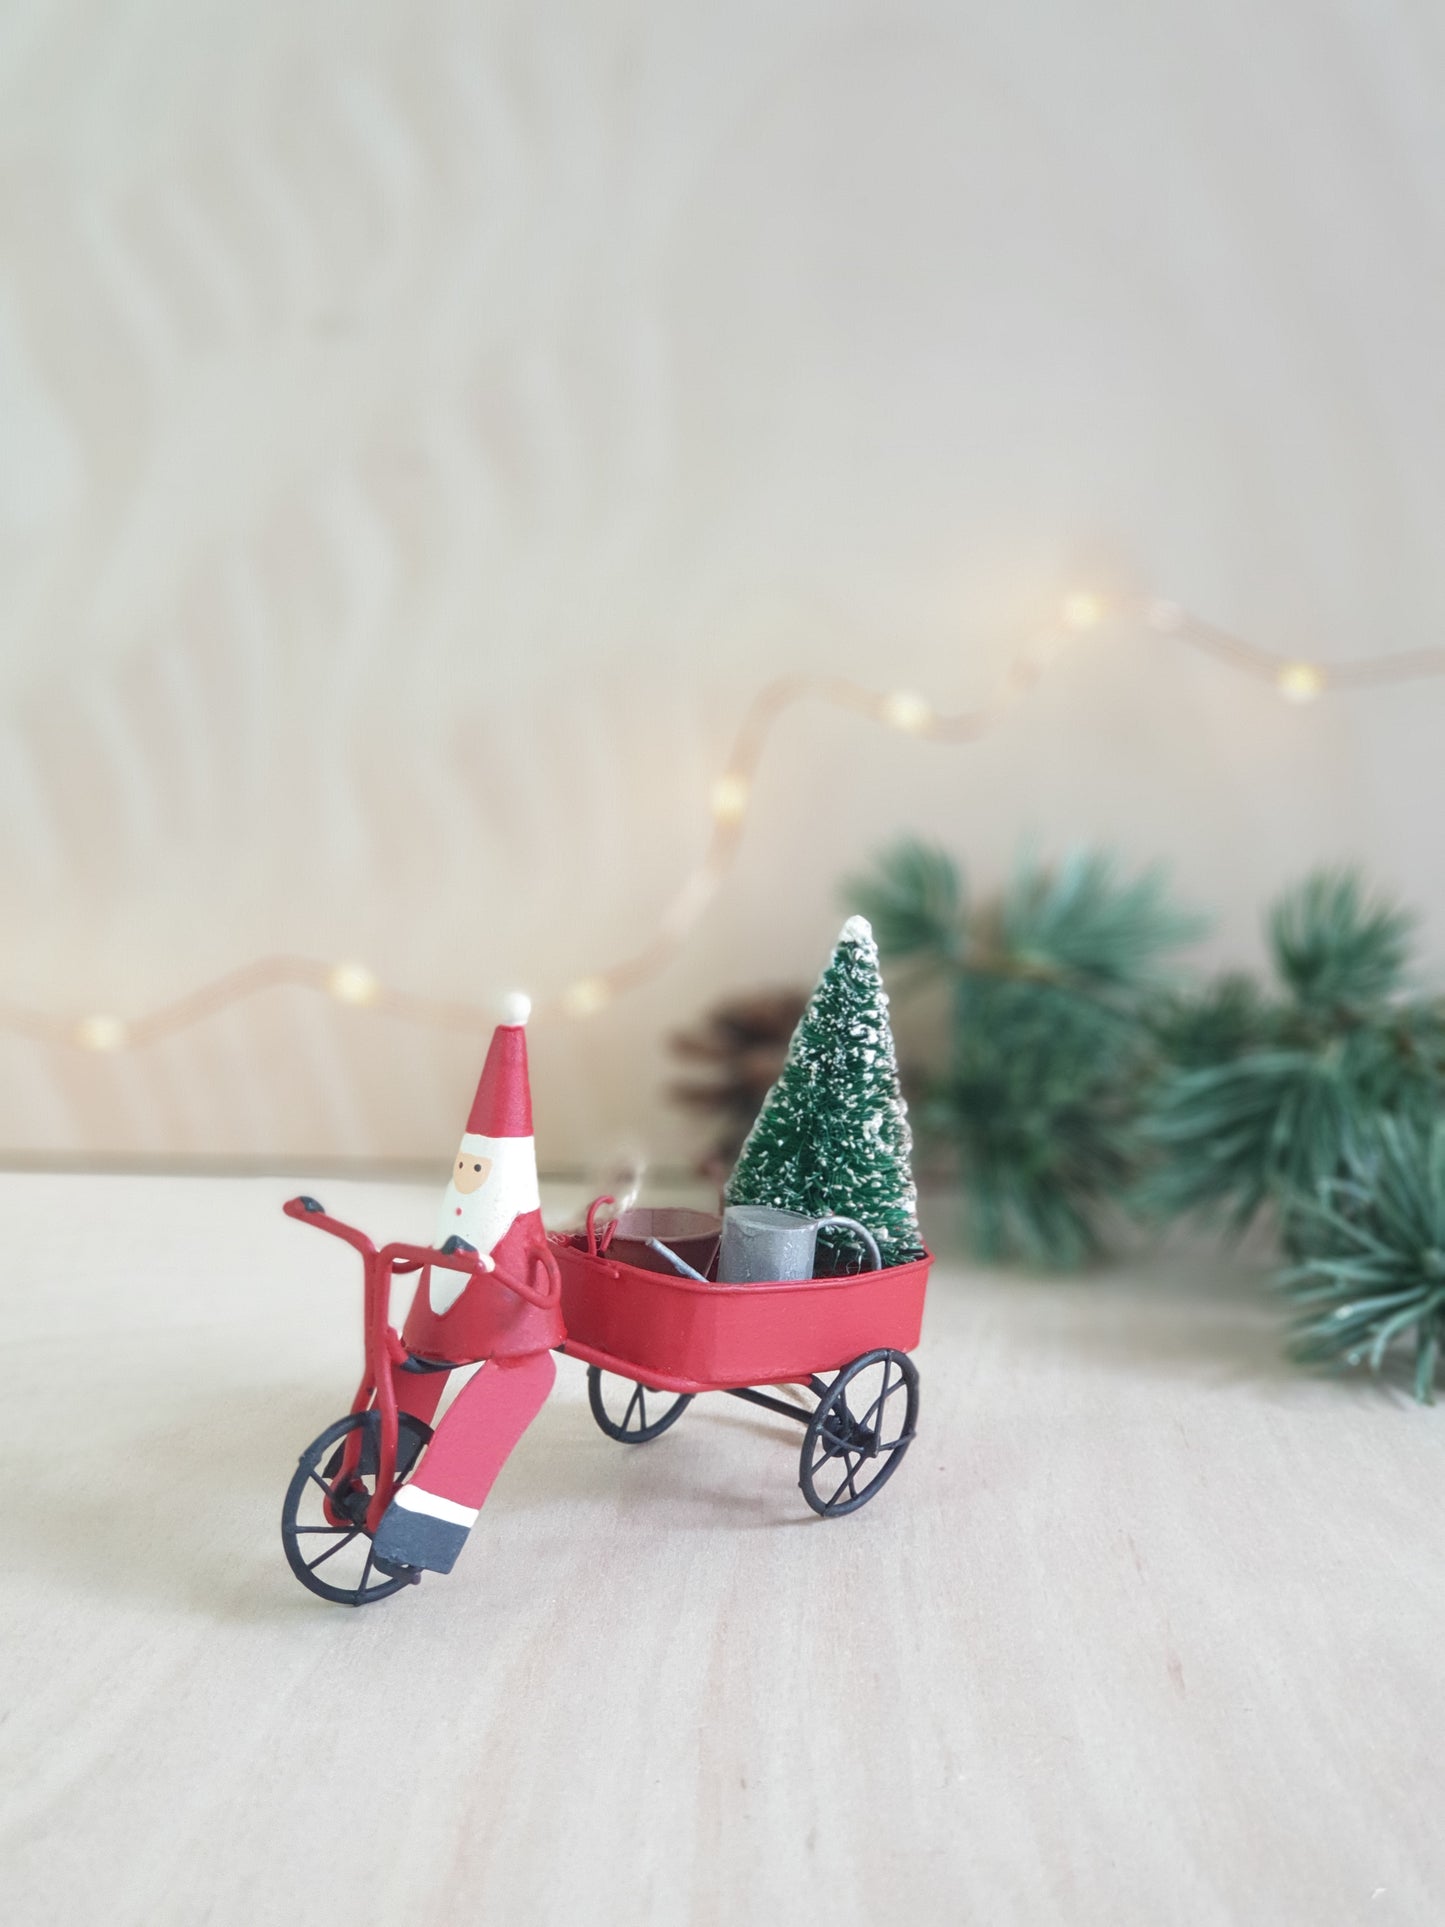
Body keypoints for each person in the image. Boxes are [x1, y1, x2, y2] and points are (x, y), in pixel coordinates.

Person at [371, 994, 562, 1576]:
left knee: (508, 1391)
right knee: (411, 1362)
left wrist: (496, 1272)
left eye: (478, 1170)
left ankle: (430, 1524)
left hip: (516, 1340)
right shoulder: (460, 1219)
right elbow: (437, 1254)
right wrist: (407, 1264)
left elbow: (546, 1296)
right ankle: (366, 1464)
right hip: (442, 1318)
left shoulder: (524, 1240)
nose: (469, 1178)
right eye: (466, 1170)